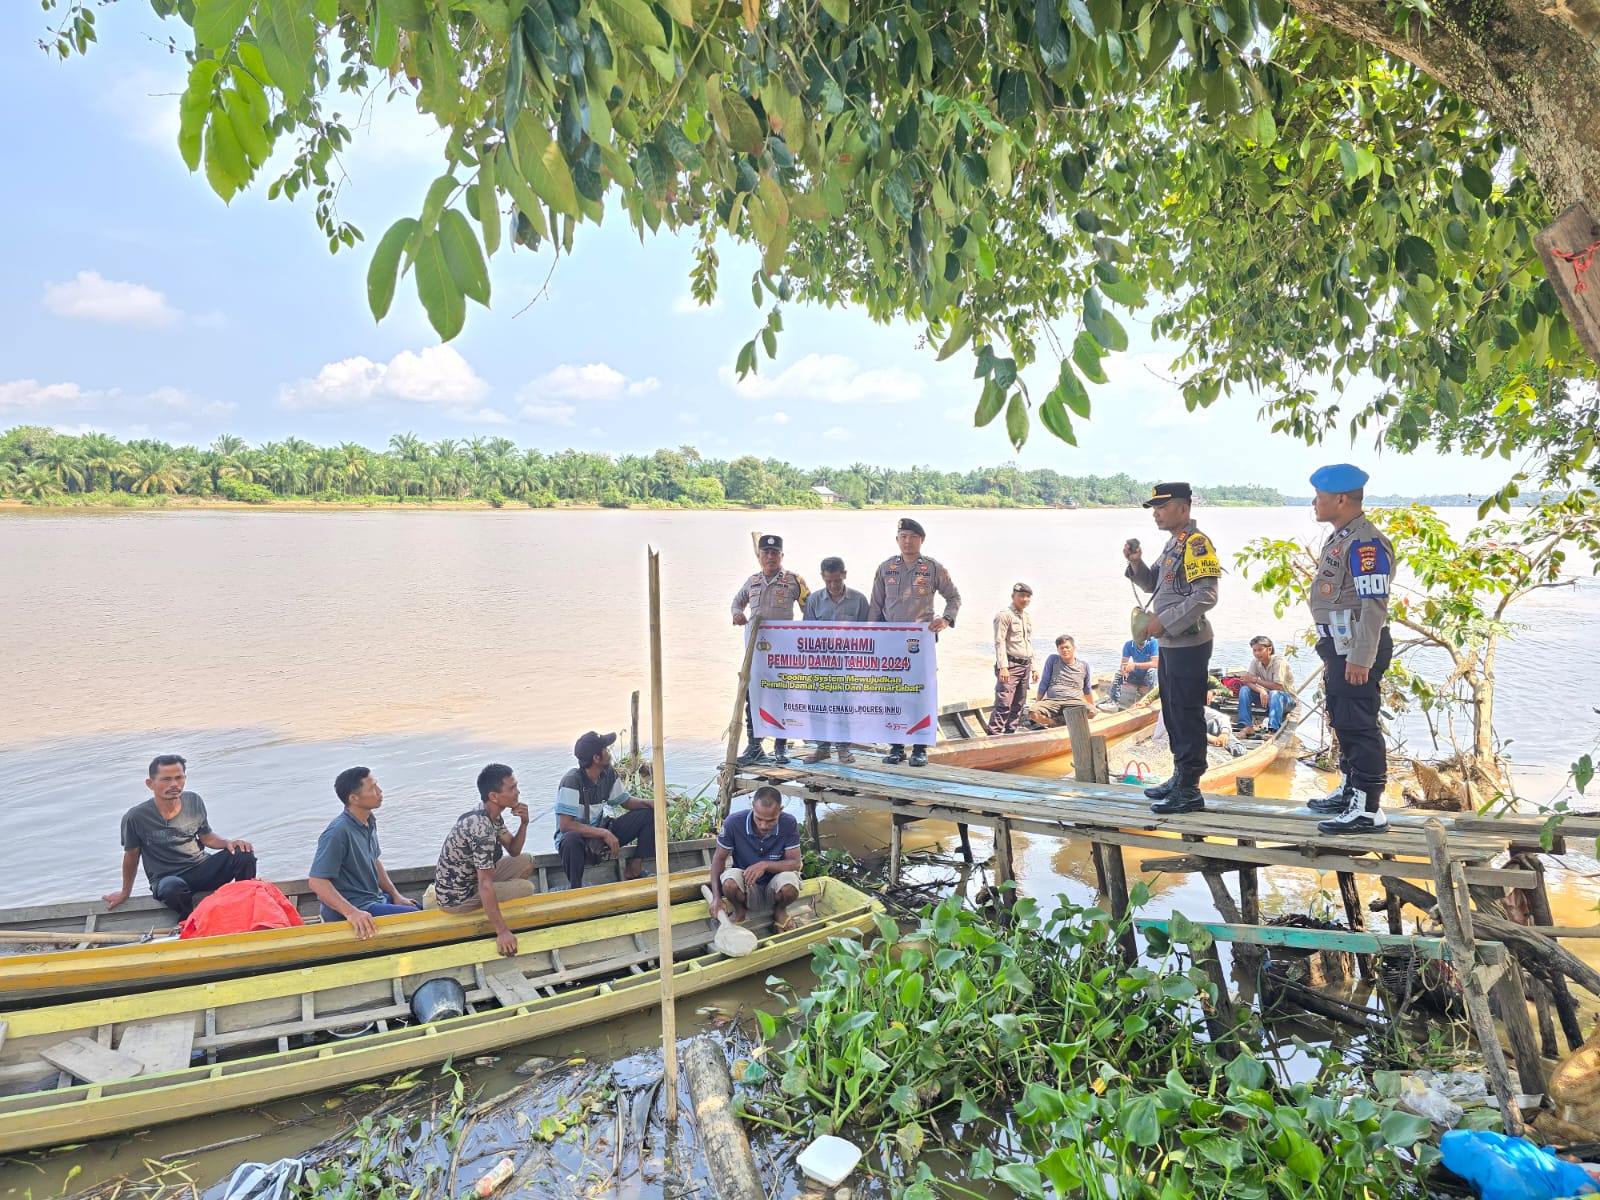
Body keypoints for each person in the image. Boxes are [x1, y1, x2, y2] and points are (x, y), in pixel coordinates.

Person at [1304, 464, 1395, 834]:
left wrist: (1360, 658)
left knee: (1358, 724)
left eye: (1319, 497)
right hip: (1338, 646)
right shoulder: (1342, 536)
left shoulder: (1365, 543)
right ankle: (1350, 790)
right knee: (1343, 720)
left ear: (1341, 499)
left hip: (1356, 648)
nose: (1314, 503)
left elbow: (1374, 605)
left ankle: (1368, 809)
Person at [1124, 482, 1221, 814]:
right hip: (1170, 643)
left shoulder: (1196, 544)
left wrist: (1163, 621)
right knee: (1173, 711)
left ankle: (1190, 789)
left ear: (1183, 508)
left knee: (1186, 713)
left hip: (1188, 643)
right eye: (1154, 508)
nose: (1156, 513)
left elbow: (1206, 596)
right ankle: (1180, 777)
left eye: (1162, 507)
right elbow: (1154, 584)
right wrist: (1136, 563)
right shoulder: (1174, 543)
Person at [103, 755, 257, 918]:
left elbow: (206, 837)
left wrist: (228, 843)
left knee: (243, 854)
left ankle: (245, 908)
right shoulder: (135, 817)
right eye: (166, 779)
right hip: (167, 879)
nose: (174, 784)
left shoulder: (193, 800)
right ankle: (189, 918)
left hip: (201, 867)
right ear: (150, 784)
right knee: (172, 888)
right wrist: (125, 892)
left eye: (179, 778)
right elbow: (131, 856)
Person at [868, 518, 961, 767]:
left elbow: (954, 598)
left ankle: (920, 748)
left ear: (922, 540)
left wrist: (946, 619)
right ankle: (896, 747)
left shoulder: (933, 568)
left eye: (913, 537)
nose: (908, 541)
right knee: (891, 693)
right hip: (890, 642)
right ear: (897, 540)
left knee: (920, 693)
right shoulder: (885, 568)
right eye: (903, 536)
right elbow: (875, 606)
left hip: (920, 643)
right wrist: (870, 638)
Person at [430, 763, 536, 956]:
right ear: (494, 796)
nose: (518, 792)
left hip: (472, 879)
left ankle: (499, 901)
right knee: (526, 888)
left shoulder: (491, 814)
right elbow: (484, 884)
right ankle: (500, 918)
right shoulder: (482, 829)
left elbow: (514, 850)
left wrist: (524, 823)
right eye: (512, 788)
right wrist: (502, 932)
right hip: (457, 899)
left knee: (526, 860)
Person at [308, 767, 421, 939]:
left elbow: (374, 859)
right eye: (372, 788)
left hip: (373, 899)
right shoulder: (337, 832)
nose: (380, 791)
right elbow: (317, 882)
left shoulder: (368, 821)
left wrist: (395, 895)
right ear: (354, 799)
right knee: (417, 919)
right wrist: (352, 913)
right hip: (352, 908)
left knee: (417, 908)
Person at [732, 533, 809, 766]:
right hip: (756, 654)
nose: (770, 557)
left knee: (782, 696)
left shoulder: (794, 581)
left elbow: (810, 608)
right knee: (753, 697)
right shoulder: (752, 581)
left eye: (775, 553)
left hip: (784, 654)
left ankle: (781, 747)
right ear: (759, 556)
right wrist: (737, 614)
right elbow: (737, 602)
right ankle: (754, 746)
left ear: (782, 556)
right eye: (766, 552)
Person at [555, 730, 657, 889]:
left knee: (647, 814)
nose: (609, 752)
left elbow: (625, 801)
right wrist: (604, 833)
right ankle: (576, 888)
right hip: (578, 840)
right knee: (570, 840)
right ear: (596, 758)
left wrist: (651, 803)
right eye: (606, 749)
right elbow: (566, 825)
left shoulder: (607, 774)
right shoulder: (572, 781)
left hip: (599, 834)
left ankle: (635, 867)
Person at [802, 557, 868, 763]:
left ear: (844, 575)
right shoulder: (813, 600)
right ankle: (822, 748)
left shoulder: (859, 600)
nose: (833, 585)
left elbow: (868, 634)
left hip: (847, 665)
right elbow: (806, 633)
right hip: (820, 665)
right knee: (818, 707)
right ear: (822, 577)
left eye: (837, 580)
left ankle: (843, 749)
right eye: (828, 581)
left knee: (843, 707)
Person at [709, 786, 803, 931]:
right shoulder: (733, 823)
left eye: (771, 821)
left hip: (774, 884)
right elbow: (719, 859)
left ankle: (780, 910)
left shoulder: (789, 823)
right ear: (752, 807)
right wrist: (716, 897)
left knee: (790, 884)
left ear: (780, 810)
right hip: (747, 885)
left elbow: (795, 863)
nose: (763, 826)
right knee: (729, 883)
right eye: (759, 819)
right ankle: (740, 911)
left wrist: (765, 865)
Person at [988, 583, 1037, 734]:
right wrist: (1003, 667)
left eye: (1028, 596)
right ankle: (994, 734)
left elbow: (1028, 643)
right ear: (1012, 596)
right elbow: (999, 642)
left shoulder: (1026, 617)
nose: (1025, 599)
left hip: (1025, 666)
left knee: (1019, 704)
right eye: (1021, 596)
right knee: (1004, 703)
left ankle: (1011, 733)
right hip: (1011, 666)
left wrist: (1034, 667)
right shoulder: (1004, 615)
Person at [1029, 635, 1094, 727]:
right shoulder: (1053, 660)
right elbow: (1044, 682)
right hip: (1053, 701)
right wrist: (1038, 702)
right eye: (1061, 648)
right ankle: (1056, 722)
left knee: (1092, 712)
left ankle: (1065, 721)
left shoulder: (1083, 665)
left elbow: (1087, 688)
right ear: (1058, 650)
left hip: (1074, 702)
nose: (1064, 650)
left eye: (1067, 647)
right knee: (1033, 713)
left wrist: (1092, 705)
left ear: (1074, 648)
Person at [1235, 636, 1295, 733]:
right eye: (1254, 650)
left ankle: (1273, 729)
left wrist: (1256, 680)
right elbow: (1247, 681)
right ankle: (1246, 726)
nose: (1257, 653)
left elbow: (1278, 687)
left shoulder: (1279, 662)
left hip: (1285, 700)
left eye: (1260, 650)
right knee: (1244, 689)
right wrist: (1261, 690)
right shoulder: (1255, 662)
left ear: (1269, 649)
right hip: (1268, 698)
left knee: (1275, 694)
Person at [1109, 636, 1160, 706]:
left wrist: (1135, 665)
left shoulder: (1153, 643)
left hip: (1148, 678)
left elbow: (1155, 663)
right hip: (1135, 676)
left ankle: (1153, 702)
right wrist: (1124, 671)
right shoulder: (1128, 645)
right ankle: (1113, 702)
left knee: (1152, 671)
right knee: (1118, 673)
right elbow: (1123, 664)